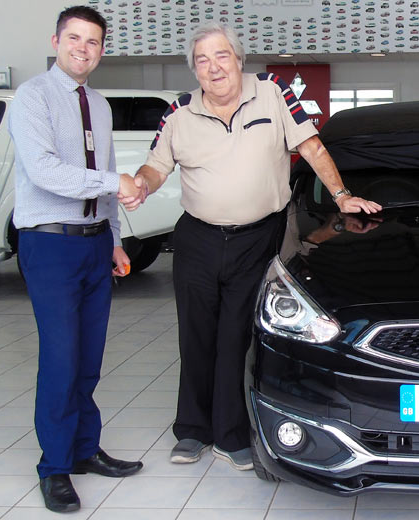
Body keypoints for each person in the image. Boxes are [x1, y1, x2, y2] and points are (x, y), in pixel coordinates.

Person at [125, 22, 380, 471]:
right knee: (196, 335)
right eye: (202, 60)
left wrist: (342, 196)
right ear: (195, 70)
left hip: (258, 236)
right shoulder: (178, 113)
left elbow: (312, 146)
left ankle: (230, 433)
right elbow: (154, 167)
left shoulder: (273, 92)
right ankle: (191, 431)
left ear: (238, 60)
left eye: (221, 56)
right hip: (198, 238)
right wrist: (141, 188)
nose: (213, 67)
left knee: (236, 335)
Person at [8, 5, 146, 513]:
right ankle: (55, 466)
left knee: (88, 359)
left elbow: (105, 174)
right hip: (50, 245)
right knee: (62, 358)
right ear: (56, 40)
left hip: (92, 244)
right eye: (74, 38)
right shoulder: (31, 98)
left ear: (102, 50)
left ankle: (86, 450)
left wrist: (113, 237)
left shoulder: (102, 105)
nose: (82, 48)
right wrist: (117, 183)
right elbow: (46, 171)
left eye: (93, 42)